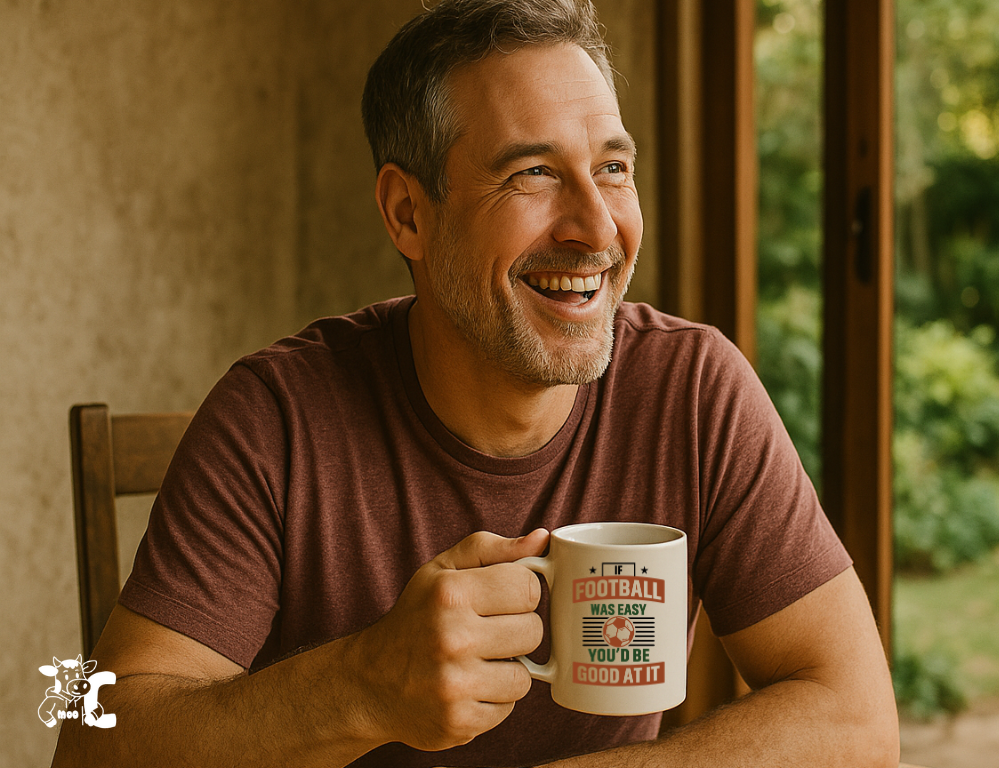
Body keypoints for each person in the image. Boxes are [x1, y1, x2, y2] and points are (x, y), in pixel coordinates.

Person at [50, 1, 899, 766]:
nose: (599, 229)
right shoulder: (275, 418)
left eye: (611, 167)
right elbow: (90, 748)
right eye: (532, 172)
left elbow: (857, 723)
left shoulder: (693, 389)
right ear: (408, 214)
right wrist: (363, 686)